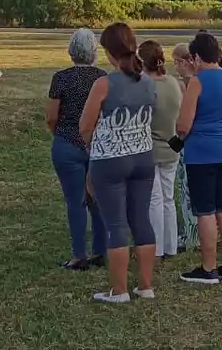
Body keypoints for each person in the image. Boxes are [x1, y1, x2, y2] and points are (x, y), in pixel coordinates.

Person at [80, 23, 158, 304]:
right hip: (143, 156)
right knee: (141, 221)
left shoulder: (104, 84)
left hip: (110, 159)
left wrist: (92, 148)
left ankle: (119, 290)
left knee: (116, 225)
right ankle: (145, 286)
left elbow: (85, 126)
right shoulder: (147, 81)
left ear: (109, 52)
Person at [177, 31, 222, 284]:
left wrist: (178, 136)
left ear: (196, 57)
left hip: (203, 153)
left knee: (205, 211)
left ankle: (208, 268)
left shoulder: (197, 82)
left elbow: (184, 125)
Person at [46, 29, 108, 271]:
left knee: (75, 201)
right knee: (98, 198)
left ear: (71, 50)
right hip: (96, 143)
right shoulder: (103, 78)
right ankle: (100, 249)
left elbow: (51, 116)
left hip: (67, 141)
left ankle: (79, 254)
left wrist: (60, 133)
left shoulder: (61, 78)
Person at [140, 40, 184, 259]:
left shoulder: (146, 86)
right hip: (172, 146)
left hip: (151, 148)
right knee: (168, 198)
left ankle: (155, 248)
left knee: (154, 199)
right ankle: (170, 245)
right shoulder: (173, 83)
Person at [170, 45, 201, 253]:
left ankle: (192, 236)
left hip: (187, 142)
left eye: (176, 62)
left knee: (187, 192)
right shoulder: (202, 81)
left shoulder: (186, 84)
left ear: (183, 62)